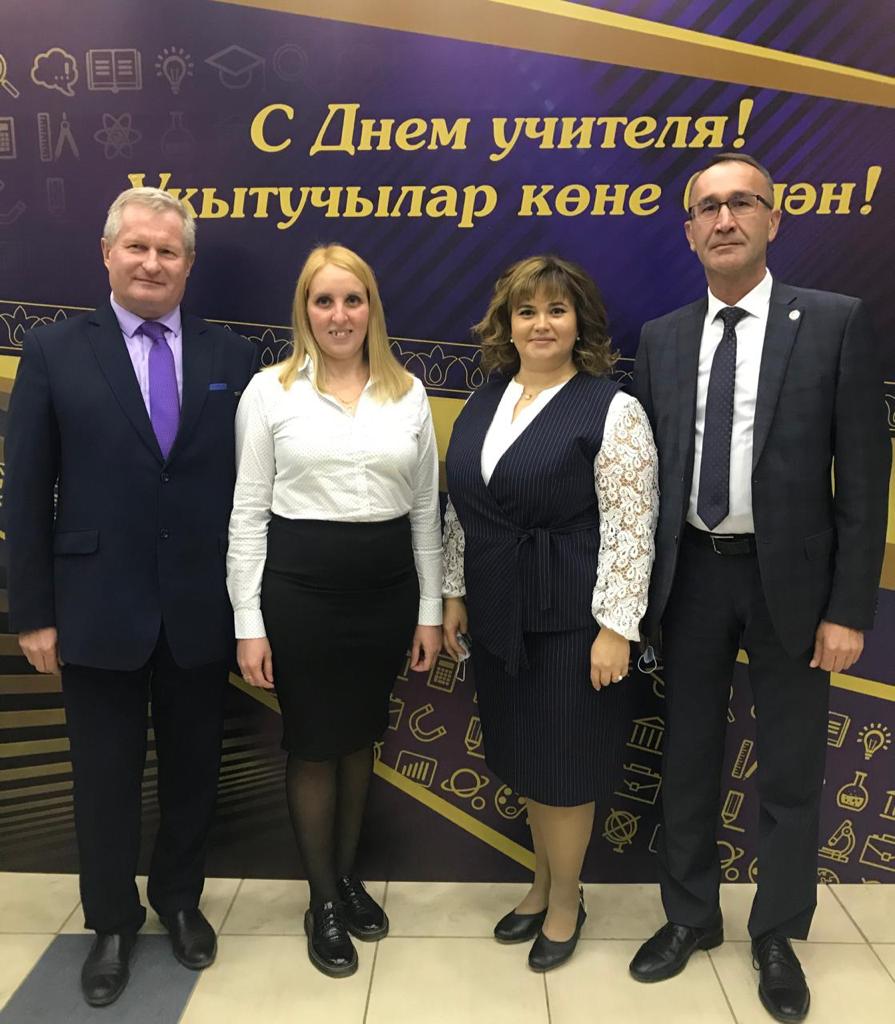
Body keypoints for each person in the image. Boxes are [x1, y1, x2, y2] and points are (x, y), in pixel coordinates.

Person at [629, 154, 890, 1022]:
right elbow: (644, 477)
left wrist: (847, 608)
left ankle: (775, 933)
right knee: (687, 760)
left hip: (794, 587)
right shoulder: (662, 337)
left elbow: (863, 479)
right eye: (707, 207)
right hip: (689, 579)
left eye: (742, 203)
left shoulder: (834, 322)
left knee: (787, 768)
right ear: (688, 232)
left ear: (773, 220)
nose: (724, 219)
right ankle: (690, 917)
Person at [5, 187, 258, 1006]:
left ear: (189, 263)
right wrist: (32, 613)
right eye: (137, 247)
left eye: (168, 251)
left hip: (199, 606)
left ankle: (179, 902)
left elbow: (250, 491)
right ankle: (111, 922)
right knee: (104, 778)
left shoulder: (232, 357)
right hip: (93, 606)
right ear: (107, 254)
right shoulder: (53, 350)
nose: (152, 263)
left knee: (193, 771)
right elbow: (25, 492)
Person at [227, 243, 442, 978]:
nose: (339, 315)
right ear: (305, 311)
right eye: (324, 301)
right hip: (301, 594)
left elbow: (425, 511)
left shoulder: (408, 393)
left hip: (386, 593)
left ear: (372, 308)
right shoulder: (269, 392)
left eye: (353, 299)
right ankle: (320, 901)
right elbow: (248, 514)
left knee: (360, 739)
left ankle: (346, 879)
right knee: (316, 744)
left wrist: (429, 610)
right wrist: (248, 623)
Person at [442, 254, 658, 972]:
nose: (541, 324)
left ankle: (566, 901)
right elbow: (464, 508)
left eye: (556, 310)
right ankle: (540, 886)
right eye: (526, 310)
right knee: (529, 760)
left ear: (579, 324)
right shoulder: (486, 398)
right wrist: (454, 591)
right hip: (500, 616)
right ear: (507, 324)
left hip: (573, 622)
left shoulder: (612, 407)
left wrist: (615, 629)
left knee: (564, 771)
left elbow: (631, 526)